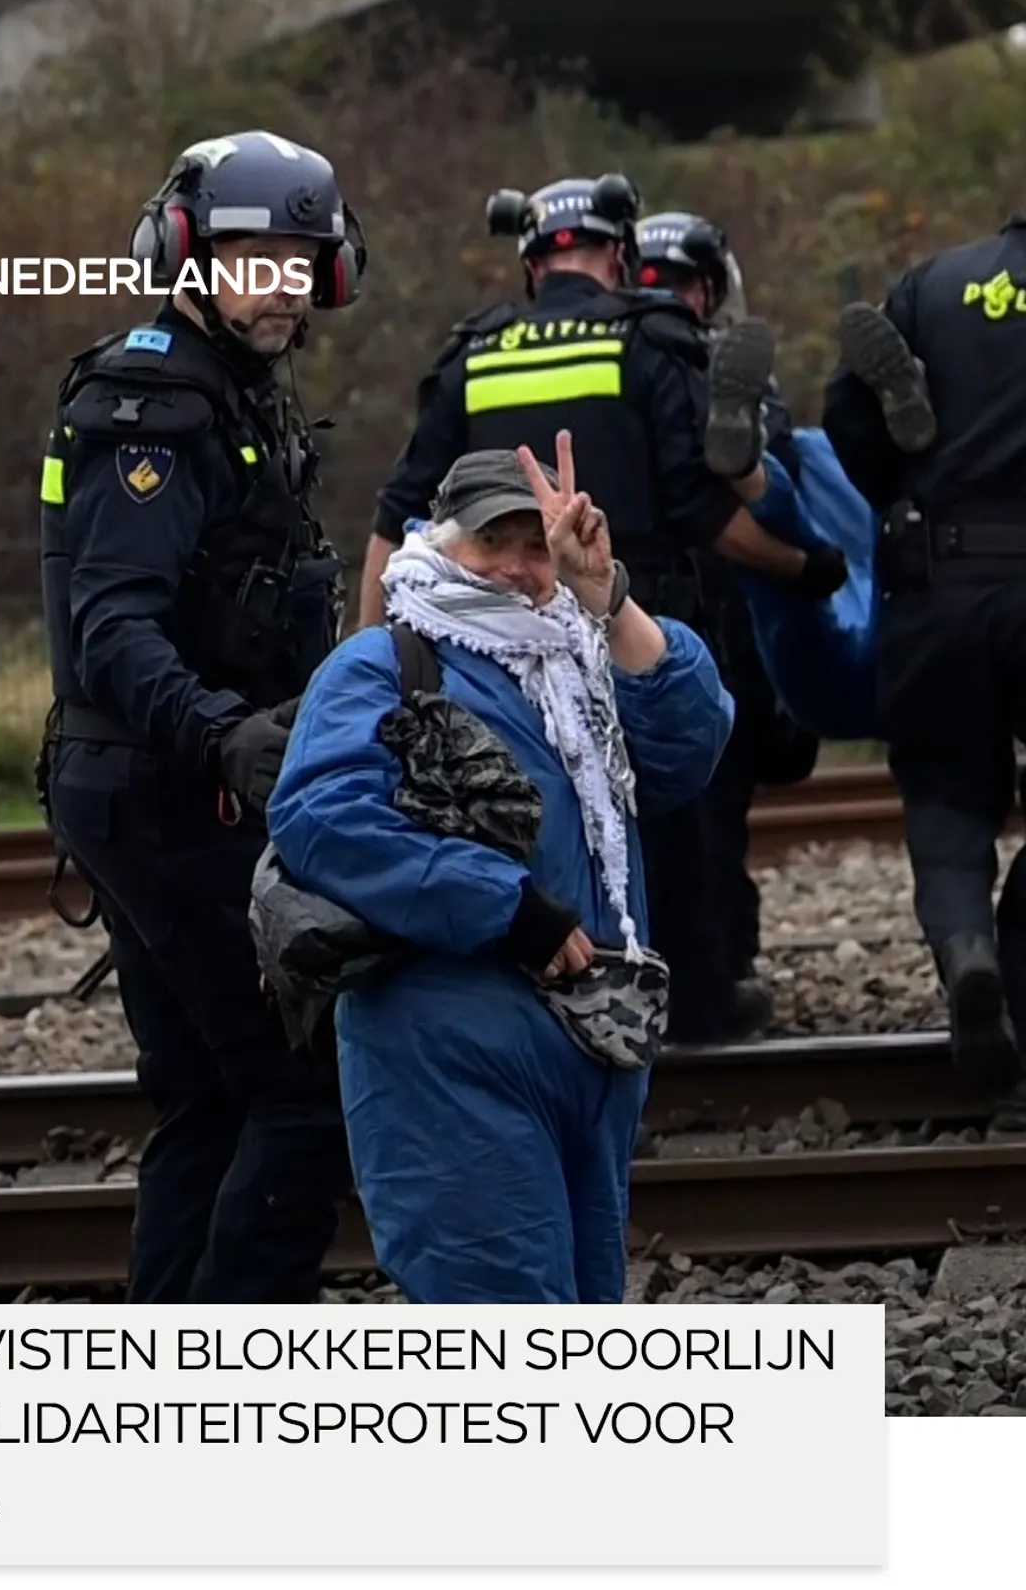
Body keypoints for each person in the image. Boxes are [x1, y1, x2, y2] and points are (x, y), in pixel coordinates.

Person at [356, 174, 840, 1042]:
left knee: (522, 813)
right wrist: (802, 567)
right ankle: (693, 1006)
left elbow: (398, 517)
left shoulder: (473, 354)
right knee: (682, 808)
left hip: (500, 634)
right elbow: (703, 510)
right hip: (629, 618)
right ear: (620, 255)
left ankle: (557, 1000)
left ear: (534, 265)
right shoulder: (650, 344)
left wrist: (369, 661)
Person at [266, 436, 734, 1304]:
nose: (520, 570)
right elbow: (320, 818)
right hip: (446, 1049)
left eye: (535, 547)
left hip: (586, 1054)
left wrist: (603, 594)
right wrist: (507, 906)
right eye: (494, 543)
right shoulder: (385, 663)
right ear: (440, 541)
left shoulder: (579, 660)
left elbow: (692, 745)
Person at [38, 129, 366, 1300]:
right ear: (185, 252)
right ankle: (230, 1380)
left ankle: (164, 1373)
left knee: (207, 1094)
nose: (280, 283)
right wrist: (223, 733)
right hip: (169, 789)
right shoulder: (156, 406)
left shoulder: (225, 388)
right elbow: (112, 626)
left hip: (150, 782)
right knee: (300, 1093)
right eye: (252, 256)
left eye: (298, 257)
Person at [822, 109, 1026, 1122]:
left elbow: (850, 422)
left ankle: (965, 945)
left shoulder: (933, 282)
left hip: (939, 579)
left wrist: (903, 484)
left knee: (944, 793)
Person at [637, 213, 820, 1030]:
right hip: (720, 609)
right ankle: (718, 970)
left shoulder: (621, 360)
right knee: (716, 803)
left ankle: (674, 968)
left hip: (629, 603)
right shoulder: (694, 365)